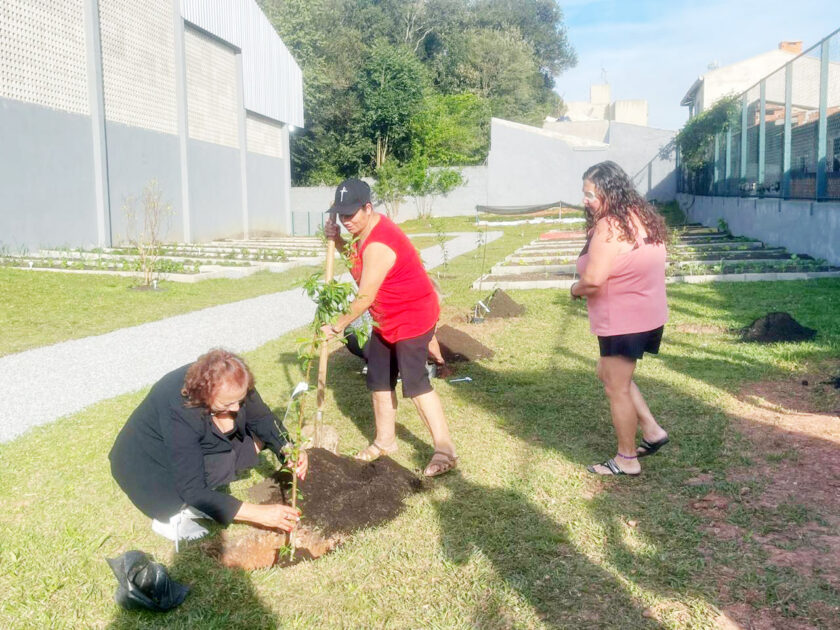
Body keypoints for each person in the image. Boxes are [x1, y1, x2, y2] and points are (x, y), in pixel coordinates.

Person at [320, 178, 457, 477]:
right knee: (379, 379)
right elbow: (358, 263)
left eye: (350, 215)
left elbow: (365, 297)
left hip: (413, 315)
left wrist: (337, 326)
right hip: (387, 318)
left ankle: (445, 451)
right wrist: (341, 242)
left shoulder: (379, 242)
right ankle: (385, 442)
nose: (346, 221)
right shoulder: (363, 233)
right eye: (341, 215)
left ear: (367, 208)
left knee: (416, 383)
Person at [109, 349, 308, 542]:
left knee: (238, 440)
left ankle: (208, 502)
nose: (237, 408)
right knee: (186, 492)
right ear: (205, 395)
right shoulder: (180, 411)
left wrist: (288, 448)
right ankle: (170, 518)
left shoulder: (233, 380)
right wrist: (258, 514)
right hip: (146, 467)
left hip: (179, 446)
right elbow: (192, 489)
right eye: (227, 404)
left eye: (239, 400)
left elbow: (262, 418)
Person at [570, 161, 670, 476]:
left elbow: (594, 280)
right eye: (584, 193)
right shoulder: (640, 216)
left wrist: (574, 289)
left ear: (609, 193)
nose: (585, 200)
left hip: (624, 320)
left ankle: (627, 459)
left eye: (591, 194)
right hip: (647, 314)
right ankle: (652, 431)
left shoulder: (610, 226)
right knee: (609, 373)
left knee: (617, 388)